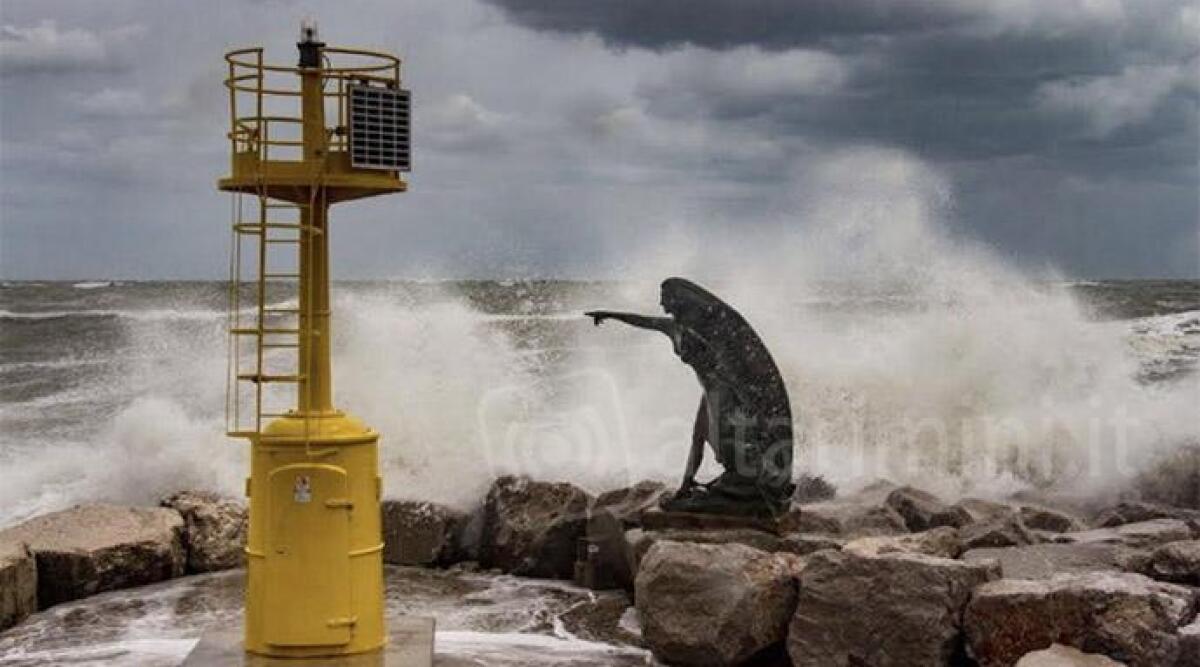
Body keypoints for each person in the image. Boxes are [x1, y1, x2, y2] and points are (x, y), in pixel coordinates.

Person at [586, 277, 795, 517]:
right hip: (708, 391)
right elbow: (645, 322)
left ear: (681, 299)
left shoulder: (711, 328)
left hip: (723, 390)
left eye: (665, 299)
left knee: (727, 438)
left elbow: (738, 358)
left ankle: (748, 488)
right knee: (698, 437)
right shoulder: (675, 328)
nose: (662, 305)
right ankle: (690, 484)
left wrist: (747, 403)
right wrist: (610, 315)